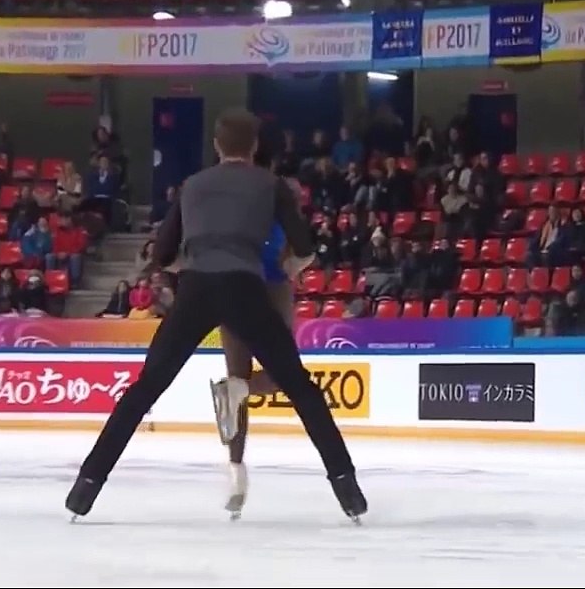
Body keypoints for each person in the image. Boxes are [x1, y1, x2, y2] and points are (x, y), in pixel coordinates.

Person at [65, 111, 366, 522]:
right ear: (254, 147)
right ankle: (348, 491)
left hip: (197, 289)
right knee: (301, 389)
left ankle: (86, 487)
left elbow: (162, 256)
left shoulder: (192, 185)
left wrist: (189, 265)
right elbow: (303, 245)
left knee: (145, 389)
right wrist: (290, 267)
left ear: (217, 147)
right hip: (246, 288)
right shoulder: (270, 184)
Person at [210, 179, 308, 516]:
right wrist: (297, 266)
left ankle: (236, 472)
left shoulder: (230, 199)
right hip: (271, 286)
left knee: (237, 377)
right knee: (281, 372)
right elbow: (301, 250)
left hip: (231, 285)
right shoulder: (283, 195)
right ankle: (238, 391)